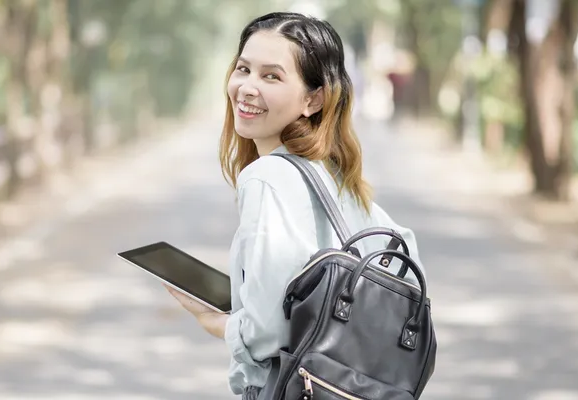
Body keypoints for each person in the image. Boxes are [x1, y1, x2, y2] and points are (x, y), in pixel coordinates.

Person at [164, 12, 424, 399]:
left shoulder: (266, 177)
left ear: (313, 99)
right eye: (243, 69)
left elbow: (267, 331)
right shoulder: (335, 177)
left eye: (272, 76)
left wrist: (219, 323)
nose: (247, 88)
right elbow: (403, 260)